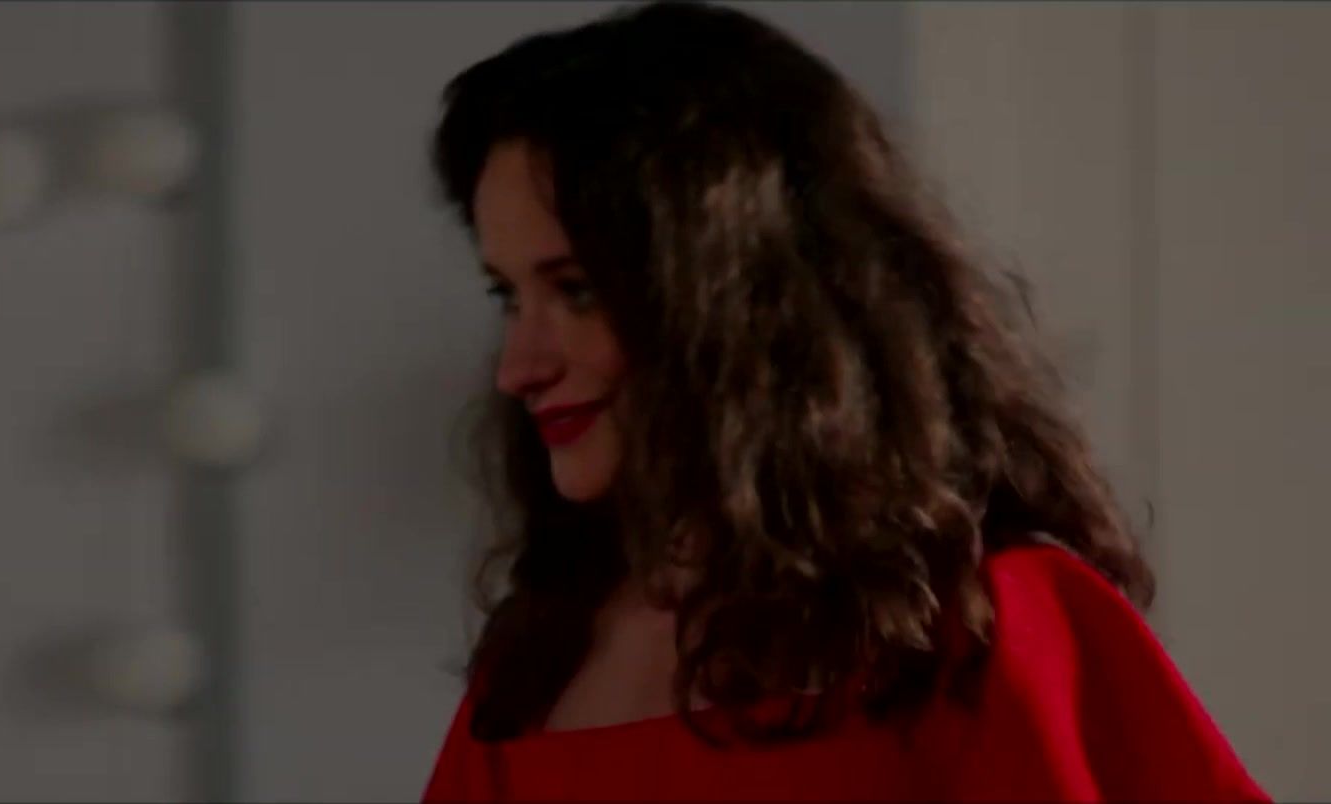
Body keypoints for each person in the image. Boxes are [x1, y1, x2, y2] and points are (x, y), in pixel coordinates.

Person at [422, 2, 1267, 800]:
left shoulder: (988, 630)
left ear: (742, 295)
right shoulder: (529, 677)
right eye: (508, 296)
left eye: (576, 291)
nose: (517, 368)